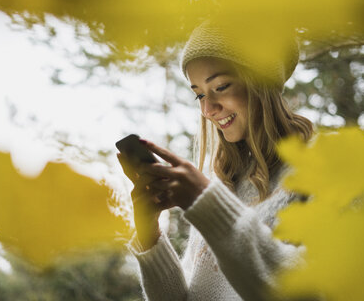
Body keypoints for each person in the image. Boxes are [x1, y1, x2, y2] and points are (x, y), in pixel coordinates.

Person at [117, 22, 314, 301]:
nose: (207, 109)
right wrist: (149, 234)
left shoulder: (328, 168)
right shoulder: (220, 179)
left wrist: (210, 207)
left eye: (220, 86)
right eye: (198, 94)